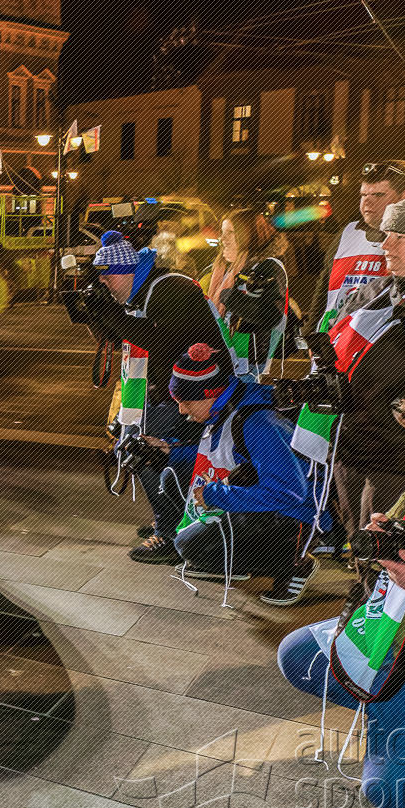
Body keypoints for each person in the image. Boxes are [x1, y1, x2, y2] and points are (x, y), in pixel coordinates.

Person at [277, 370, 405, 808]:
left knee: (398, 799)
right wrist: (382, 534)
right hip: (397, 640)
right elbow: (394, 531)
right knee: (297, 656)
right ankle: (396, 718)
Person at [133, 343, 325, 604]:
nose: (182, 411)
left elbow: (289, 492)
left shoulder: (258, 422)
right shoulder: (227, 403)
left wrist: (215, 495)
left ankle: (293, 562)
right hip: (256, 490)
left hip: (295, 514)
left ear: (210, 394)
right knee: (172, 476)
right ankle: (229, 559)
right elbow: (223, 452)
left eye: (186, 402)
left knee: (189, 547)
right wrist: (169, 449)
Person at [79, 230, 228, 556]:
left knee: (147, 452)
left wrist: (111, 314)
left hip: (195, 395)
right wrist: (95, 316)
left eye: (108, 276)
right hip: (168, 391)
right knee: (143, 451)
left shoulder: (170, 288)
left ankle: (169, 533)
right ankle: (172, 518)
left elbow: (162, 342)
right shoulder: (140, 294)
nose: (103, 282)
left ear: (129, 271)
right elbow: (123, 339)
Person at [325, 196, 405, 535]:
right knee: (360, 542)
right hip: (350, 447)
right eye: (385, 234)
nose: (386, 245)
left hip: (402, 458)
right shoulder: (374, 292)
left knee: (387, 548)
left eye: (400, 237)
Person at [314, 160, 405, 327]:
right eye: (363, 195)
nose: (367, 202)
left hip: (383, 337)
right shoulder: (348, 233)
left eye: (379, 195)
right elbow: (324, 288)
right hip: (334, 335)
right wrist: (311, 332)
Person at [207, 208, 291, 377]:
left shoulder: (268, 266)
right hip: (224, 357)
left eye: (230, 232)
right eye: (222, 232)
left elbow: (272, 316)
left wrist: (230, 298)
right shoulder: (223, 267)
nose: (223, 238)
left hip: (249, 363)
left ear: (249, 234)